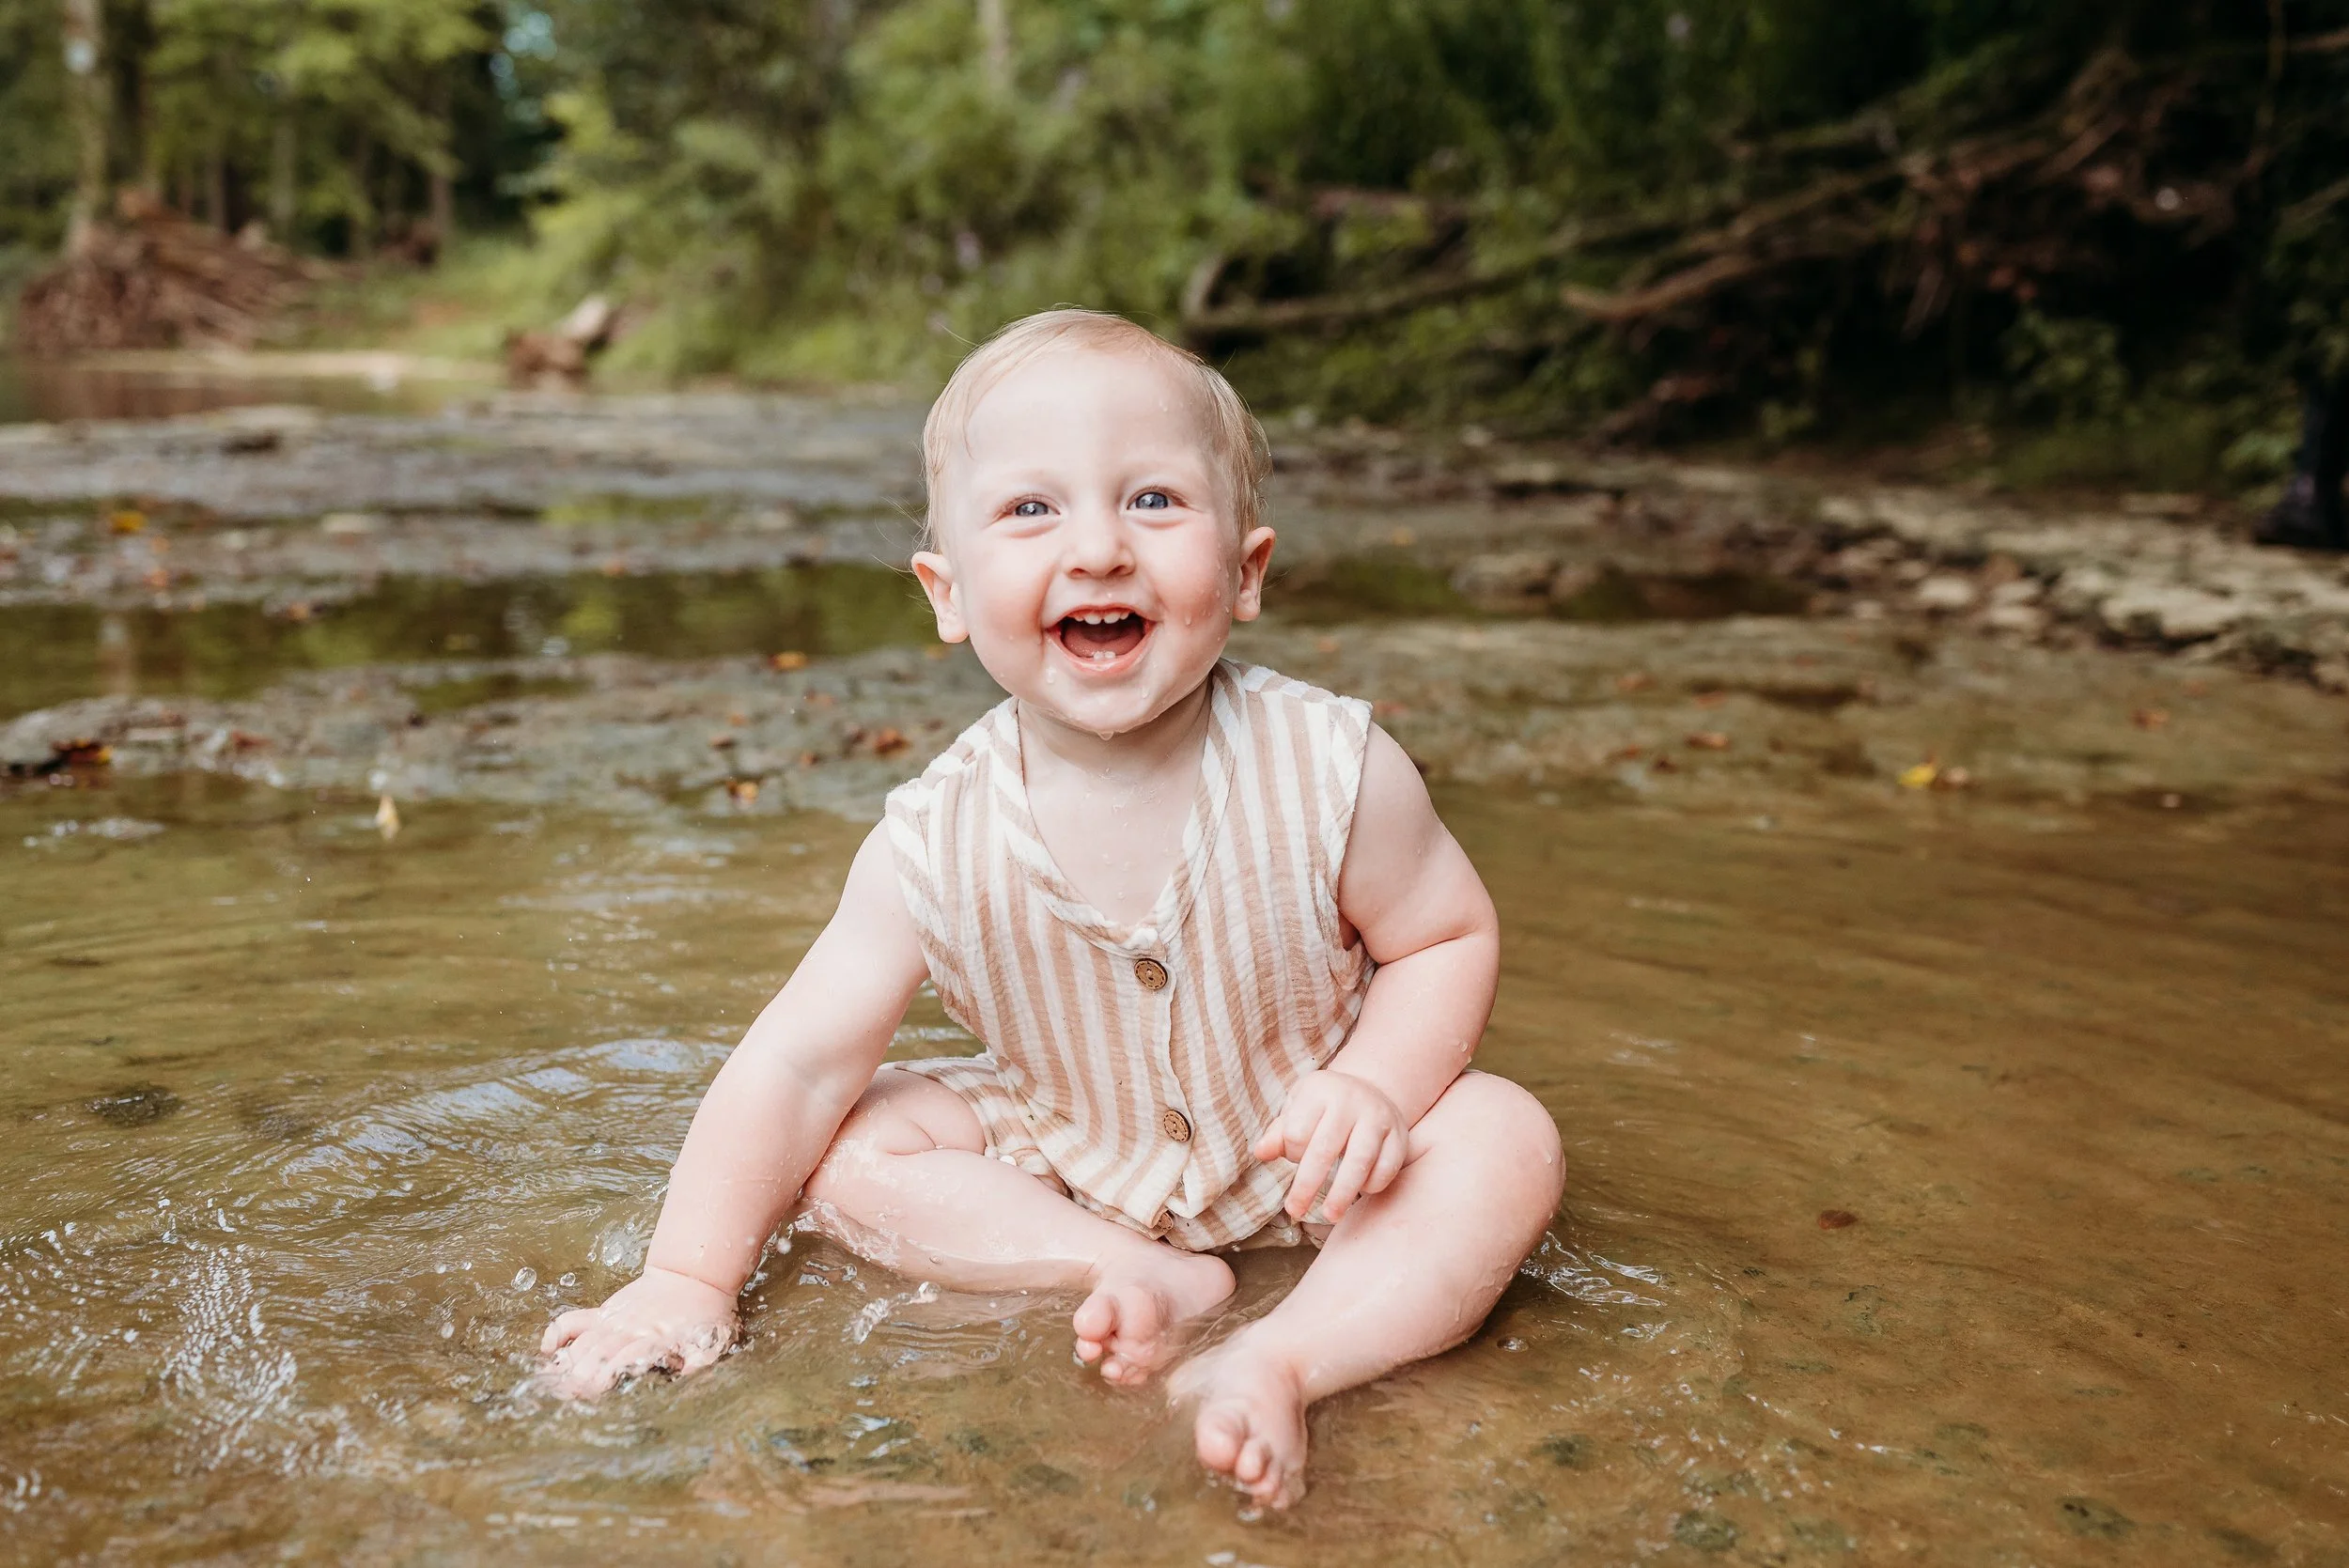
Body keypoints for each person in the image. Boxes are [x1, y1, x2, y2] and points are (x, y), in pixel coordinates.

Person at [539, 309, 1564, 1508]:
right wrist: (685, 1279)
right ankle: (1121, 1270)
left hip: (1315, 1155)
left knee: (1501, 1135)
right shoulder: (933, 837)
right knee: (853, 1139)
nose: (1098, 551)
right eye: (1032, 510)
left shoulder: (1333, 769)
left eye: (1153, 502)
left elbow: (1446, 934)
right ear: (949, 591)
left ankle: (1279, 1359)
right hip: (1074, 1153)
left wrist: (1378, 1087)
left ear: (1246, 570)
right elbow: (797, 1065)